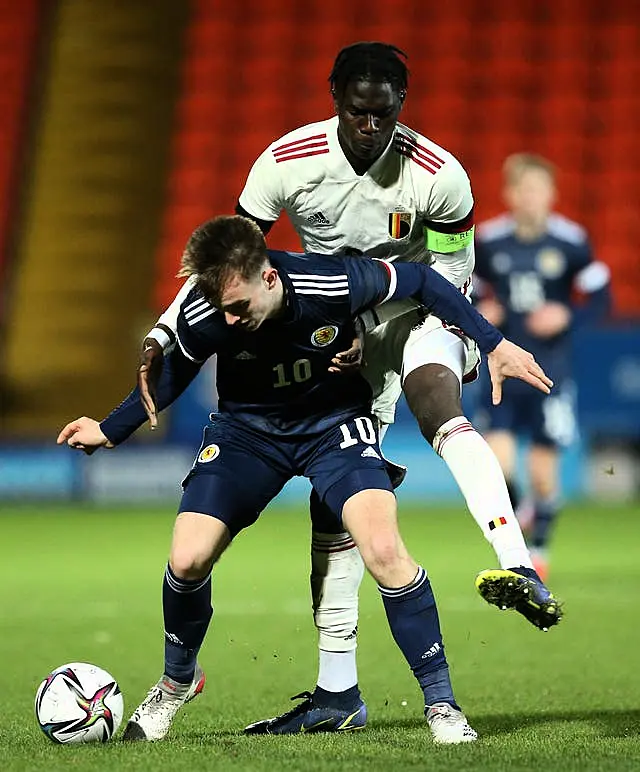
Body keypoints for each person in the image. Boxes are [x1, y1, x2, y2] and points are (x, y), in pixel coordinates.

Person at [140, 42, 560, 733]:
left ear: (402, 105)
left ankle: (519, 563)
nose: (370, 126)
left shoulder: (441, 176)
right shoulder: (285, 163)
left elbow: (448, 280)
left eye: (384, 114)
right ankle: (338, 694)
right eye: (357, 112)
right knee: (338, 504)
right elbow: (227, 264)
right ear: (335, 99)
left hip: (418, 309)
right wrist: (163, 330)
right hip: (333, 323)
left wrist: (462, 337)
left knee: (436, 400)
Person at [58, 216, 555, 744]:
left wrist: (493, 342)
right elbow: (177, 366)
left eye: (238, 308)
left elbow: (425, 282)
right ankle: (176, 682)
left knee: (385, 550)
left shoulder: (333, 281)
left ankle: (443, 707)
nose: (227, 322)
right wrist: (111, 430)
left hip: (334, 427)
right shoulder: (208, 307)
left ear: (268, 278)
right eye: (221, 311)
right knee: (187, 558)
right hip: (247, 431)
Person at [474, 153, 610, 580]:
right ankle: (520, 516)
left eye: (539, 189)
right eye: (523, 189)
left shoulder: (571, 242)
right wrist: (483, 311)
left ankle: (539, 548)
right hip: (502, 368)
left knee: (543, 474)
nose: (531, 198)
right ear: (510, 193)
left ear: (551, 194)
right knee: (499, 465)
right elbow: (466, 290)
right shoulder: (489, 240)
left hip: (549, 370)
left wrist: (568, 315)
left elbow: (602, 296)